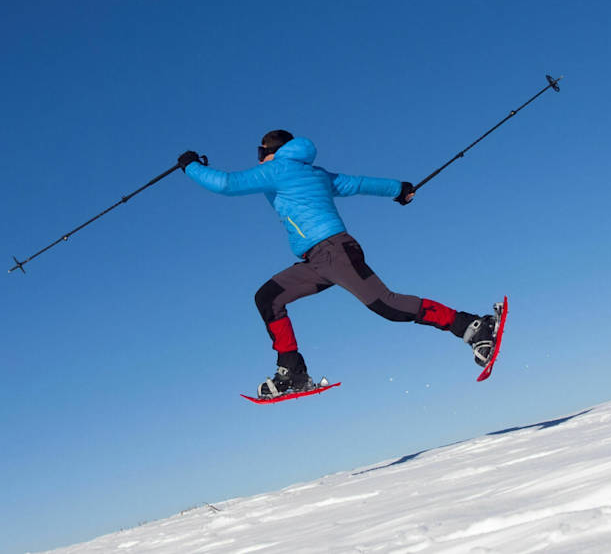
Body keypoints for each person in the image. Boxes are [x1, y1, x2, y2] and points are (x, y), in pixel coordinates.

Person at [178, 130, 500, 398]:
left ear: (270, 152)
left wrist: (190, 165)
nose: (257, 159)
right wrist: (399, 189)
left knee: (386, 305)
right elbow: (355, 183)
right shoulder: (312, 172)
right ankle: (292, 371)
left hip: (333, 252)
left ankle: (471, 326)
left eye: (259, 152)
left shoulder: (276, 169)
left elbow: (226, 184)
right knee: (268, 297)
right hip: (317, 259)